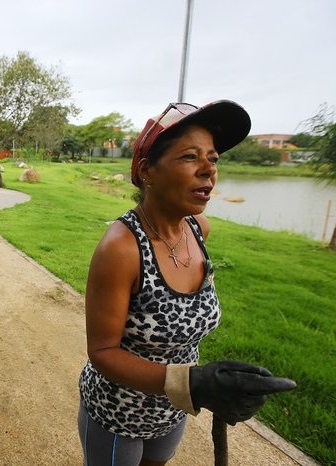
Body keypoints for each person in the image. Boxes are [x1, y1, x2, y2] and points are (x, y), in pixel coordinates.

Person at [78, 100, 296, 466]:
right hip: (117, 415)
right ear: (147, 171)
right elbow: (102, 353)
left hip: (174, 411)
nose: (209, 170)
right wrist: (192, 383)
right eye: (190, 157)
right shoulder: (121, 248)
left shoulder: (198, 229)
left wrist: (199, 386)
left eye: (213, 158)